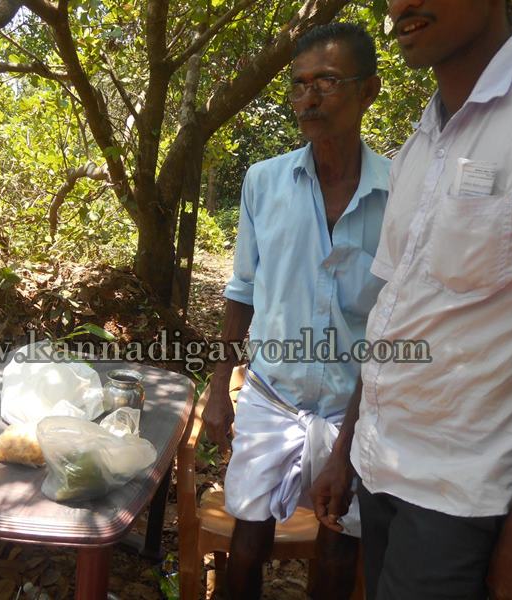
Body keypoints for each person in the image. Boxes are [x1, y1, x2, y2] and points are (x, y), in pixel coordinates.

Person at [310, 1, 512, 598]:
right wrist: (346, 448)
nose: (402, 4)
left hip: (468, 499)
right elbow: (393, 317)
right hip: (384, 472)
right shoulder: (420, 146)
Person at [202, 23, 391, 599]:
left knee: (338, 548)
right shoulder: (264, 183)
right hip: (271, 395)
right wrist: (217, 389)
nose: (308, 98)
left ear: (368, 91)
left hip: (354, 404)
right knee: (246, 542)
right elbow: (242, 291)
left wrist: (350, 439)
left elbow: (396, 319)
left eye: (327, 81)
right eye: (299, 84)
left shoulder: (400, 192)